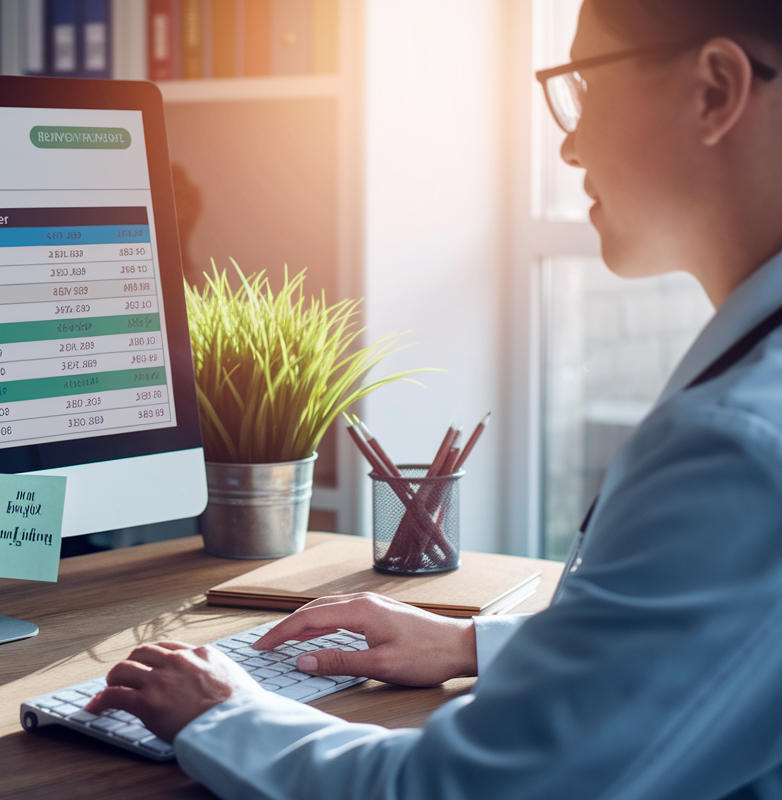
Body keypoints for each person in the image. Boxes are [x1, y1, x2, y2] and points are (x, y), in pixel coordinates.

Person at [83, 1, 782, 797]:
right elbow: (709, 646)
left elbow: (458, 789)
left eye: (584, 87)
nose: (569, 139)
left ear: (716, 92)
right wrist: (471, 646)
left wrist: (221, 713)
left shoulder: (738, 441)